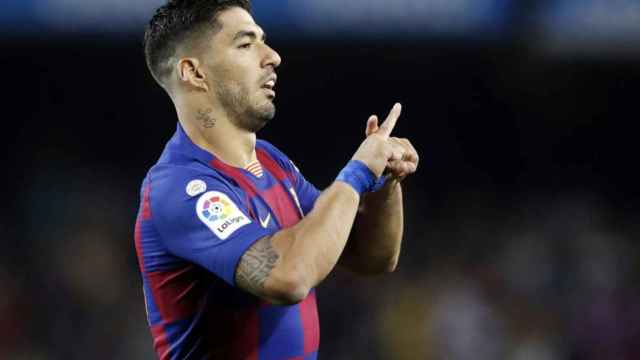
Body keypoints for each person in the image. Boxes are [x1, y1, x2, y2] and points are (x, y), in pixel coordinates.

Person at [135, 0, 419, 359]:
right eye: (246, 44)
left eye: (263, 40)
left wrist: (383, 181)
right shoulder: (178, 188)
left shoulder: (271, 162)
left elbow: (371, 256)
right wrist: (358, 171)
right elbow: (290, 276)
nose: (272, 56)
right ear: (194, 72)